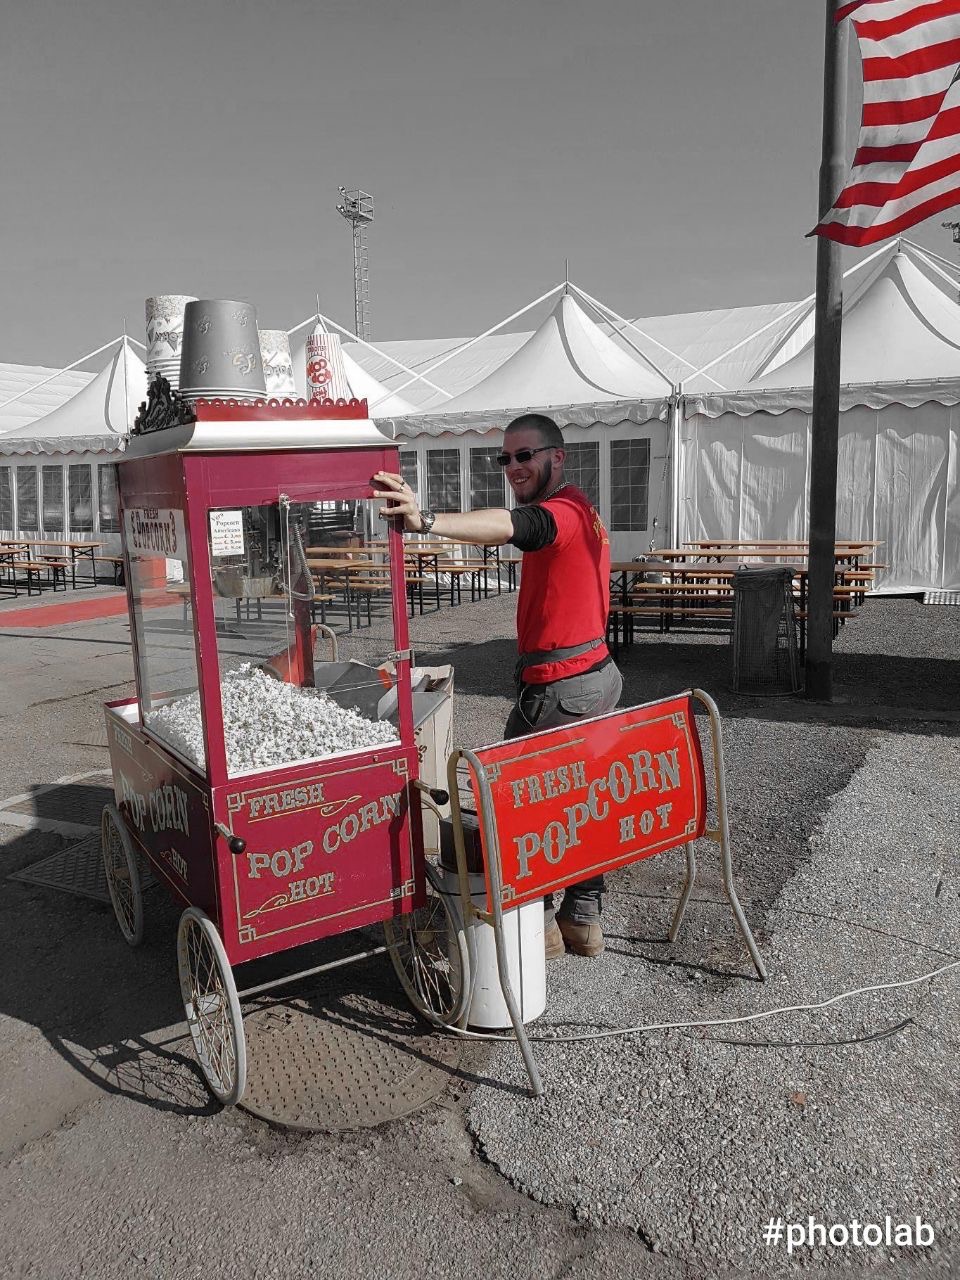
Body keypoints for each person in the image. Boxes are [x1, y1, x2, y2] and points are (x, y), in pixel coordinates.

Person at [373, 412, 622, 958]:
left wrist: (426, 519)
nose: (513, 466)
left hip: (562, 686)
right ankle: (582, 917)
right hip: (594, 675)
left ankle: (537, 926)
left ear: (557, 456)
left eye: (524, 455)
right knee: (582, 796)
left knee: (515, 802)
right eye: (504, 458)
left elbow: (512, 526)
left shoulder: (561, 513)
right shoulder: (581, 506)